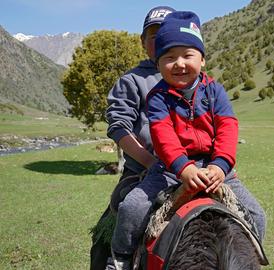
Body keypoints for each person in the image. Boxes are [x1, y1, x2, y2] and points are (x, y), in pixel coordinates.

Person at [110, 11, 266, 270]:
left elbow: (228, 126)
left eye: (187, 55)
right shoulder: (158, 97)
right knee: (132, 208)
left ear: (202, 60)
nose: (179, 63)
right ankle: (121, 260)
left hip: (215, 169)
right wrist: (184, 168)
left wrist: (220, 164)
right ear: (158, 64)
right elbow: (163, 137)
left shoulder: (215, 91)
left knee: (257, 215)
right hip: (170, 170)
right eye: (169, 57)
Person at [90, 6, 175, 270]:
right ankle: (117, 262)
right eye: (153, 35)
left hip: (194, 169)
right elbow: (119, 127)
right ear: (142, 42)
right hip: (145, 173)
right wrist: (150, 163)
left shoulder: (189, 75)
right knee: (105, 237)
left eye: (166, 33)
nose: (159, 39)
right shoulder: (132, 81)